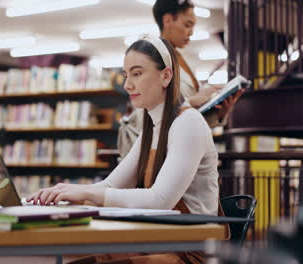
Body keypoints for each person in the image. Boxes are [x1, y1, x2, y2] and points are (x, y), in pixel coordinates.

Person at [28, 35, 227, 264]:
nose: (127, 85)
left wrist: (86, 194)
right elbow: (110, 186)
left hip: (188, 252)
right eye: (126, 75)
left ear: (166, 76)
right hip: (162, 241)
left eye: (137, 73)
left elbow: (159, 199)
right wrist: (64, 193)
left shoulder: (188, 123)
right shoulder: (152, 128)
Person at [153, 0, 244, 128]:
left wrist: (219, 114)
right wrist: (193, 101)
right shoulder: (152, 58)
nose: (191, 32)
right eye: (187, 25)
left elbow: (192, 115)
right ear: (167, 20)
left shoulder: (183, 59)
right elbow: (149, 114)